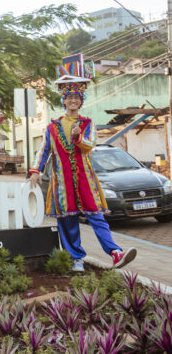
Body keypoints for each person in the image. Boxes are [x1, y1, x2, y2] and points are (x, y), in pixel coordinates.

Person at [28, 62, 136, 272]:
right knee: (68, 221)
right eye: (69, 97)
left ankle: (115, 252)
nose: (73, 100)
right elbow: (44, 150)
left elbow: (89, 145)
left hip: (85, 179)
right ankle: (75, 259)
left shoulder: (87, 124)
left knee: (96, 216)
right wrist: (35, 171)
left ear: (81, 101)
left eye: (77, 97)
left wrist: (78, 137)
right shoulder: (52, 127)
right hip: (62, 182)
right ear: (64, 100)